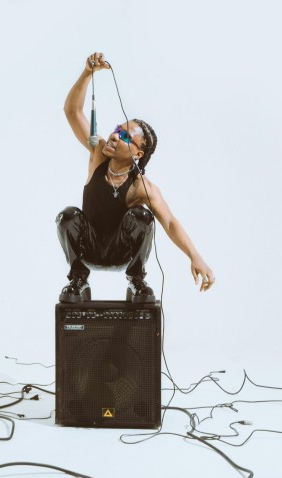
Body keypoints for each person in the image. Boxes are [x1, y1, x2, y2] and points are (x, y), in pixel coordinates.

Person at [56, 52, 215, 303]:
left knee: (143, 216)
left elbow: (170, 223)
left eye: (127, 137)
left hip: (120, 253)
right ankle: (78, 280)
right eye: (118, 129)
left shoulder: (142, 187)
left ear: (138, 154)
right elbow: (72, 111)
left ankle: (137, 281)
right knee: (68, 215)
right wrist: (87, 72)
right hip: (90, 247)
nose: (116, 136)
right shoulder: (98, 154)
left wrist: (195, 256)